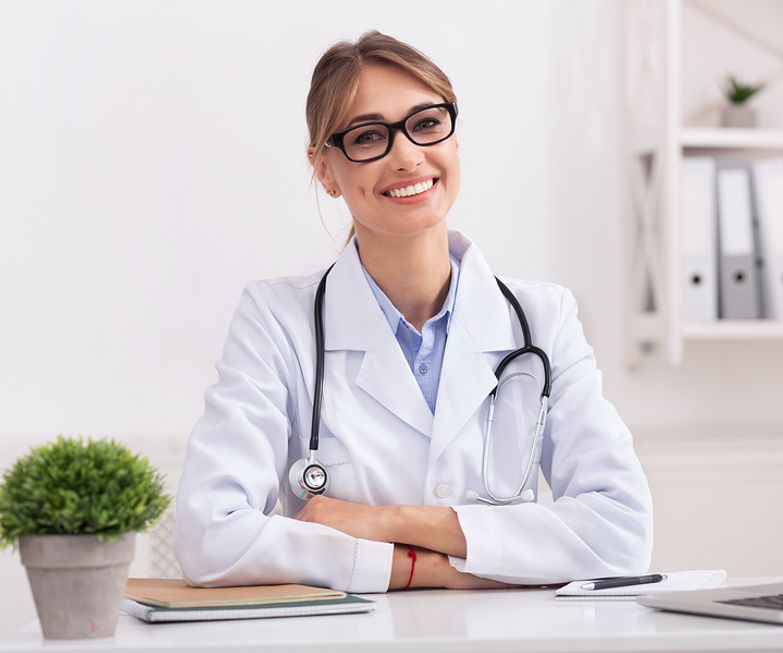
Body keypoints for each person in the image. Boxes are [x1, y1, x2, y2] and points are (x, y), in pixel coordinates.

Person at [174, 30, 652, 593]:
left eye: (426, 124)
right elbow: (209, 538)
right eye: (368, 136)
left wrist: (385, 522)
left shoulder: (543, 317)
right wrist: (432, 571)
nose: (407, 156)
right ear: (325, 169)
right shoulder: (277, 320)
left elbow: (623, 534)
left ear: (453, 138)